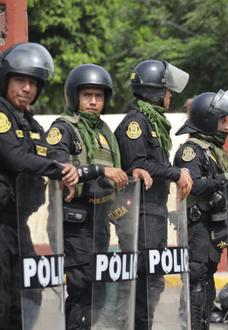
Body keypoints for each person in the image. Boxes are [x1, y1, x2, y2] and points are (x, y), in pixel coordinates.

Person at [45, 63, 152, 329]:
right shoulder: (64, 128)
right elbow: (57, 166)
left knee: (99, 294)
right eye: (87, 95)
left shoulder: (104, 132)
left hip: (101, 222)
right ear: (74, 96)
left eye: (99, 96)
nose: (93, 101)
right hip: (75, 224)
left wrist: (131, 173)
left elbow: (117, 175)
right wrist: (100, 170)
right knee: (82, 293)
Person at [0, 43, 79, 329]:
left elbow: (49, 154)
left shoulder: (30, 123)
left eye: (33, 83)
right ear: (5, 80)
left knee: (28, 299)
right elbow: (16, 158)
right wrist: (59, 170)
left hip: (19, 226)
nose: (27, 88)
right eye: (20, 80)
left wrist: (72, 171)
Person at [114, 59, 193, 329]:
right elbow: (138, 165)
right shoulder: (136, 123)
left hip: (153, 213)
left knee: (152, 282)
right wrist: (176, 172)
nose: (171, 96)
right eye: (168, 90)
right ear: (155, 91)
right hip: (139, 215)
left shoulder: (154, 123)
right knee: (142, 282)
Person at [174, 90, 228, 329]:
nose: (226, 127)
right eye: (221, 121)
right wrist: (227, 176)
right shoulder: (192, 150)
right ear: (207, 120)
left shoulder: (213, 149)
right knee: (197, 281)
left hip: (214, 225)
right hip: (198, 225)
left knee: (207, 281)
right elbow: (194, 184)